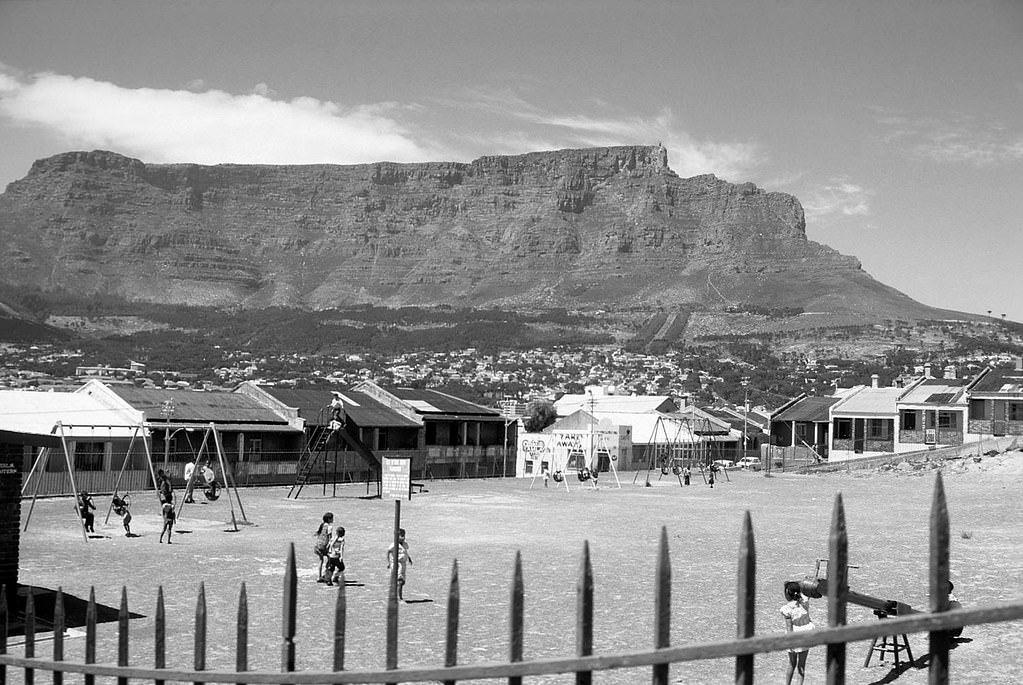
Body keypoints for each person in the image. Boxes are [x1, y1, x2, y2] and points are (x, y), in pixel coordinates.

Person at [780, 580, 815, 685]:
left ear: (787, 594)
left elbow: (789, 627)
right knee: (801, 666)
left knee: (791, 663)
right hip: (806, 635)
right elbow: (808, 590)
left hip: (794, 636)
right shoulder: (805, 602)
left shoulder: (787, 609)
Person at [386, 528, 413, 600]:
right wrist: (389, 562)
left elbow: (405, 552)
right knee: (399, 579)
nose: (403, 538)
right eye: (401, 536)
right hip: (396, 564)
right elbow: (388, 552)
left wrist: (409, 558)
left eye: (404, 536)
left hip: (403, 563)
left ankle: (399, 594)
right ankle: (398, 596)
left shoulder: (404, 544)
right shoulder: (394, 545)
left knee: (402, 580)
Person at [314, 512, 335, 582]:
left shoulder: (322, 525)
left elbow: (319, 533)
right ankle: (326, 574)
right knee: (330, 559)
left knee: (321, 560)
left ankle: (319, 576)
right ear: (329, 519)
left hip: (318, 545)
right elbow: (330, 537)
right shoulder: (329, 527)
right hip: (324, 546)